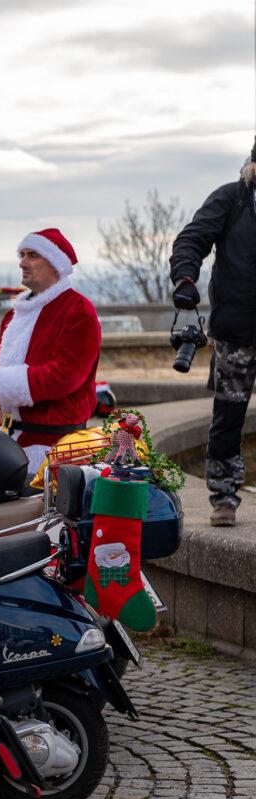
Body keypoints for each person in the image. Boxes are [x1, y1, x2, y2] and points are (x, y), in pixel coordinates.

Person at [0, 228, 101, 475]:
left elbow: (64, 377)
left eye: (32, 255)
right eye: (22, 255)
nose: (22, 262)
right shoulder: (15, 315)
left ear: (56, 263)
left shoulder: (78, 311)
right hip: (12, 444)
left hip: (55, 451)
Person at [170, 157, 256, 526]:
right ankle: (224, 496)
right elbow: (191, 240)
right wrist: (184, 279)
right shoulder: (231, 198)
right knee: (228, 417)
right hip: (236, 332)